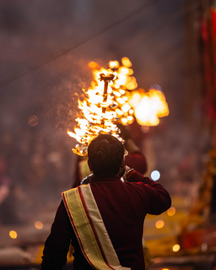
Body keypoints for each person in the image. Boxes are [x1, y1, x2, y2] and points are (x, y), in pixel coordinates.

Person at [41, 134, 171, 270]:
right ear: (122, 164)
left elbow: (54, 256)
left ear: (89, 165)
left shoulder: (72, 201)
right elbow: (163, 198)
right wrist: (131, 173)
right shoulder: (137, 192)